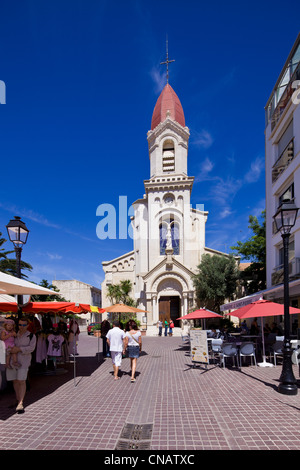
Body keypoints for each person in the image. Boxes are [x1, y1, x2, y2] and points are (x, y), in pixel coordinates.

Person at [6, 317, 36, 414]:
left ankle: (21, 402)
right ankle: (17, 399)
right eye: (20, 324)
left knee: (21, 381)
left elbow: (31, 348)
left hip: (24, 361)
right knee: (15, 381)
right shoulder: (14, 334)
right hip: (12, 362)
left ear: (27, 325)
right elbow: (7, 344)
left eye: (24, 325)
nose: (21, 327)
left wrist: (19, 349)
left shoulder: (31, 336)